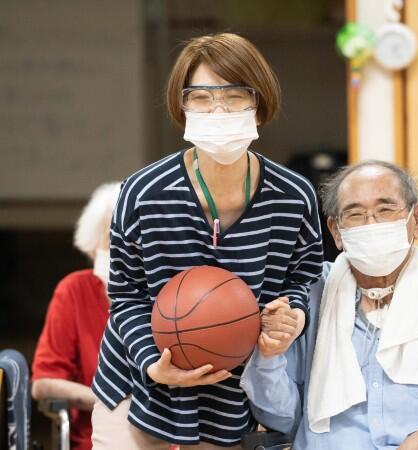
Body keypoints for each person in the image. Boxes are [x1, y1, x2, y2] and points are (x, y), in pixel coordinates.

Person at [90, 33, 323, 449]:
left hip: (233, 387)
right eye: (201, 97)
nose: (218, 109)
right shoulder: (143, 193)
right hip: (139, 380)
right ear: (183, 107)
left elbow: (302, 279)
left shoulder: (293, 194)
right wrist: (153, 364)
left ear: (260, 103)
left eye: (235, 95)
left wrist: (291, 318)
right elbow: (126, 296)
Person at [242, 161, 418, 450]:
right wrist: (269, 356)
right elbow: (281, 418)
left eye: (385, 210)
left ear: (415, 219)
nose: (372, 224)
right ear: (336, 231)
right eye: (355, 214)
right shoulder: (312, 293)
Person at [31, 182, 121, 450]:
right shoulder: (74, 291)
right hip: (97, 438)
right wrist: (107, 400)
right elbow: (43, 384)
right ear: (94, 246)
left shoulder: (172, 295)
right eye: (112, 237)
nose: (123, 249)